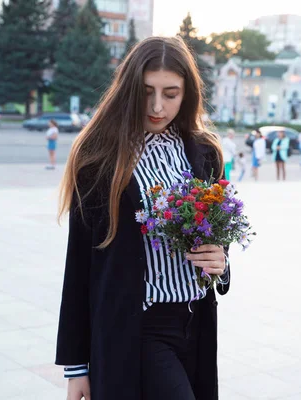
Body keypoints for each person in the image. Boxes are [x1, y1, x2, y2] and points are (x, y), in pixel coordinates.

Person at [55, 36, 231, 400]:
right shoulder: (99, 158)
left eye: (170, 93)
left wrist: (222, 262)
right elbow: (80, 266)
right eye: (146, 91)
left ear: (187, 94)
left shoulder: (204, 152)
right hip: (137, 330)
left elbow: (217, 238)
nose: (156, 105)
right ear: (128, 88)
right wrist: (76, 367)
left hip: (197, 323)